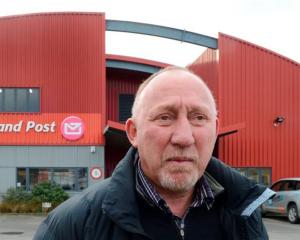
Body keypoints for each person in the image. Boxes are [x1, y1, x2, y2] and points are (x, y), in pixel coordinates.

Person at [34, 66, 275, 240]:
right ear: (134, 132)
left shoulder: (245, 213)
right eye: (165, 117)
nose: (184, 137)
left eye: (199, 118)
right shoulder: (73, 225)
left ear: (215, 129)